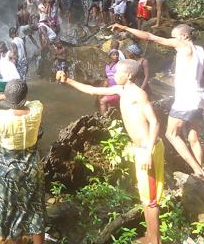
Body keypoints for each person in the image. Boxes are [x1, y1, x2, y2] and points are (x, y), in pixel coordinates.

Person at [60, 60, 163, 244]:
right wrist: (68, 80)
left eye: (117, 73)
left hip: (148, 149)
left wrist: (148, 151)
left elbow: (155, 122)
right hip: (141, 149)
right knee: (145, 196)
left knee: (151, 199)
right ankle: (149, 235)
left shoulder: (139, 94)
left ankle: (155, 241)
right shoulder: (120, 90)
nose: (113, 76)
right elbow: (93, 91)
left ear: (129, 75)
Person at [112, 23, 204, 178]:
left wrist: (126, 28)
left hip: (186, 97)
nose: (172, 40)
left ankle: (198, 171)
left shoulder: (183, 44)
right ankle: (201, 171)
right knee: (193, 137)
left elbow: (150, 37)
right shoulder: (201, 51)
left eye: (174, 36)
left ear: (184, 36)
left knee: (171, 134)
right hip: (199, 96)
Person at [0, 80, 46, 244]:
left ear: (8, 98)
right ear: (25, 96)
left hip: (8, 172)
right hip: (32, 167)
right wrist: (8, 96)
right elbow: (28, 100)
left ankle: (10, 238)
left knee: (7, 209)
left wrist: (3, 97)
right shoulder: (37, 109)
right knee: (35, 209)